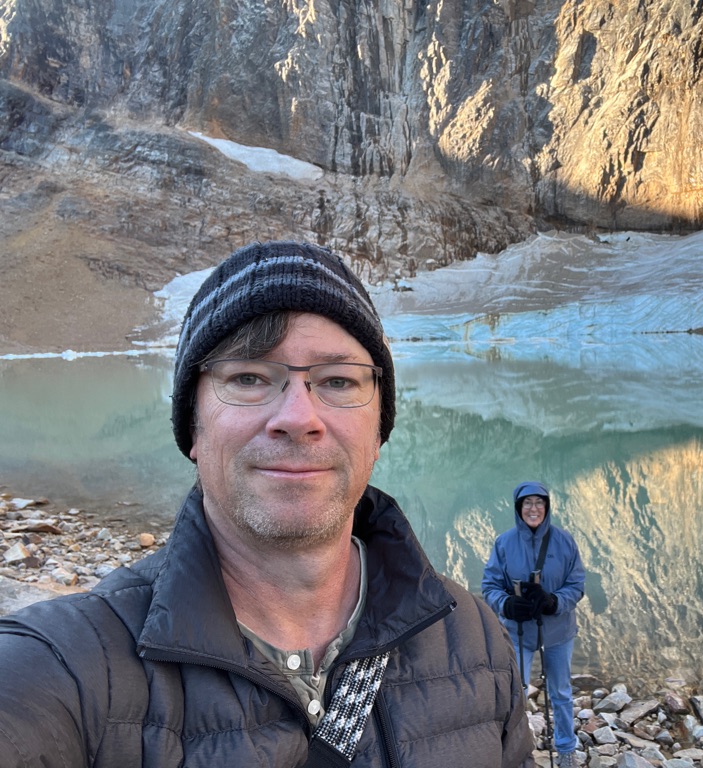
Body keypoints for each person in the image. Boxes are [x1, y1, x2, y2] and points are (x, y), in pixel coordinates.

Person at [0, 241, 535, 768]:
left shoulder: (474, 638)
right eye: (249, 378)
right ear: (193, 425)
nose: (298, 418)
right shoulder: (70, 665)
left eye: (338, 380)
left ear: (378, 431)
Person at [482, 482, 586, 768]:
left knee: (561, 692)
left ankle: (566, 749)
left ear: (547, 507)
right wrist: (506, 604)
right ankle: (515, 750)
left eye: (539, 502)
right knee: (516, 692)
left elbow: (576, 584)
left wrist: (554, 601)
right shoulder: (504, 543)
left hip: (558, 632)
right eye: (527, 503)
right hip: (518, 633)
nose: (533, 509)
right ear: (518, 508)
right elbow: (490, 585)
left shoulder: (564, 542)